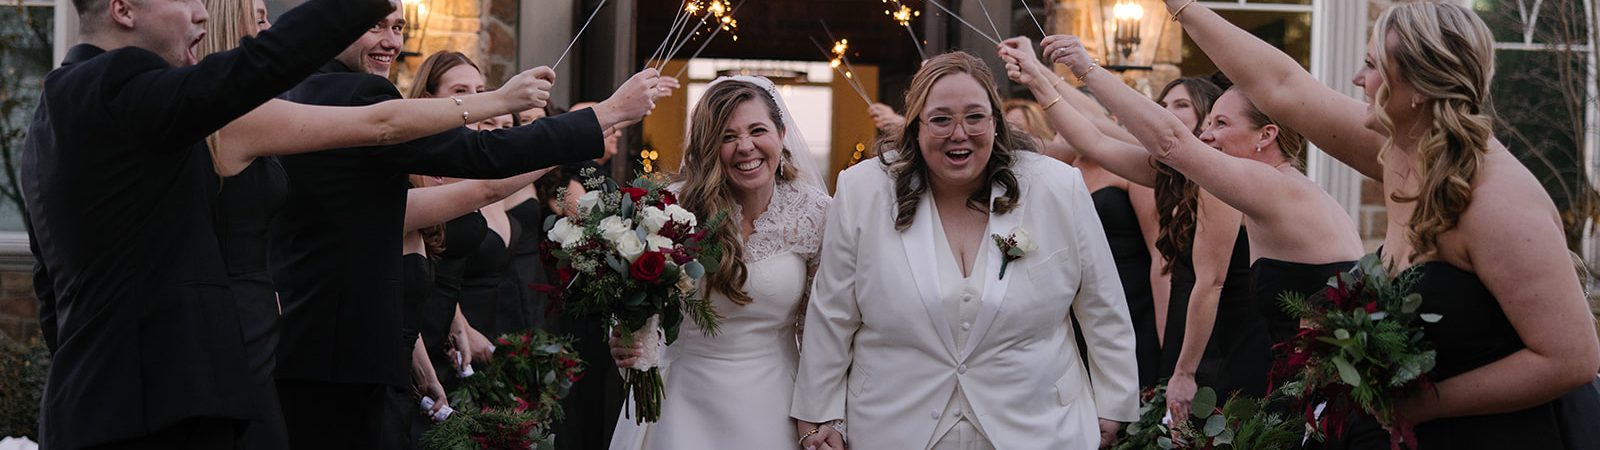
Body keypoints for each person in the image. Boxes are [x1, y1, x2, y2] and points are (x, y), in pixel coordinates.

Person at [1164, 1, 1600, 448]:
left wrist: (1418, 406)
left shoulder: (1497, 202)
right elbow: (1280, 84)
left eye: (1371, 65)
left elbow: (1570, 360)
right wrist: (1181, 6)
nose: (1357, 79)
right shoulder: (1402, 156)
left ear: (1415, 85)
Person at [266, 7, 670, 447]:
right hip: (340, 355)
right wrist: (605, 113)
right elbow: (482, 156)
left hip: (333, 346)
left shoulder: (305, 88)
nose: (391, 41)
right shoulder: (356, 93)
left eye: (398, 27)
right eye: (374, 25)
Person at [22, 0, 395, 447]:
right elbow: (256, 66)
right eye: (185, 0)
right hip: (154, 412)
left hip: (93, 405)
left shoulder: (53, 110)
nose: (201, 13)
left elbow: (49, 289)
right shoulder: (116, 86)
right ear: (123, 9)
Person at [190, 2, 561, 445]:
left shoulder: (292, 101)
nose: (271, 28)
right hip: (291, 342)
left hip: (356, 349)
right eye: (262, 18)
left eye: (399, 27)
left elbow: (406, 257)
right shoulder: (333, 97)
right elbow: (472, 180)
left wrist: (422, 354)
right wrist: (571, 123)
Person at [791, 51, 1138, 450]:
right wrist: (819, 414)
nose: (960, 133)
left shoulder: (1057, 187)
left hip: (1040, 425)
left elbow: (1102, 304)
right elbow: (832, 312)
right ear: (916, 127)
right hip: (896, 425)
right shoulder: (862, 190)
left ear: (995, 121)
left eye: (975, 116)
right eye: (941, 119)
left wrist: (1113, 403)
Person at [1039, 34, 1369, 423]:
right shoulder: (1271, 186)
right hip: (1298, 375)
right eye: (1208, 122)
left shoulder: (1272, 186)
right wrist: (1038, 78)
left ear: (1267, 135)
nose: (1206, 135)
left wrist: (1087, 69)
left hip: (1319, 388)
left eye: (1221, 123)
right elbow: (1102, 141)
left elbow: (1171, 142)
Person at [604, 76, 830, 449]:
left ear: (782, 133)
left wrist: (822, 416)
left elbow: (823, 329)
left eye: (758, 130)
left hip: (777, 407)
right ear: (709, 147)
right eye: (727, 137)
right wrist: (624, 334)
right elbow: (635, 300)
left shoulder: (815, 213)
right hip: (681, 403)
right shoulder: (667, 210)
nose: (745, 147)